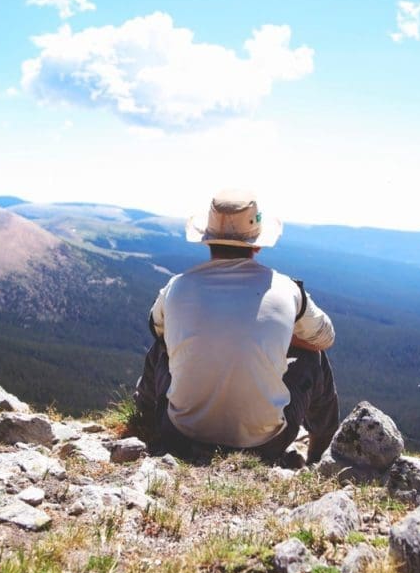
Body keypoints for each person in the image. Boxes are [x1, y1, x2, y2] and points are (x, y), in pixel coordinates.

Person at [133, 189, 340, 465]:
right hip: (266, 445)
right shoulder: (288, 290)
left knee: (161, 346)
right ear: (257, 244)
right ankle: (323, 455)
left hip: (179, 436)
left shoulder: (177, 287)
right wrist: (278, 334)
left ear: (208, 241)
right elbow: (325, 338)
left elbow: (156, 330)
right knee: (314, 358)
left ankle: (144, 423)